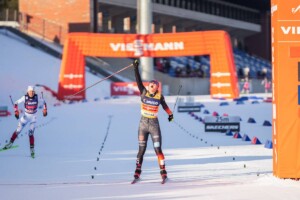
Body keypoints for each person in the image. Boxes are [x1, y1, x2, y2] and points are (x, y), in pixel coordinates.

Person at [132, 59, 173, 181]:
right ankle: (137, 171)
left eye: (154, 85)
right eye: (150, 85)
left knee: (157, 149)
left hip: (154, 125)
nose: (151, 86)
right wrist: (135, 67)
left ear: (157, 88)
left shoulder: (159, 96)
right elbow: (138, 80)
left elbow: (165, 106)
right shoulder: (143, 91)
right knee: (141, 150)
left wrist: (170, 115)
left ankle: (163, 171)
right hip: (143, 124)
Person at [3, 86, 47, 158]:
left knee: (30, 133)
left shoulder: (37, 97)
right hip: (25, 116)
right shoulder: (25, 98)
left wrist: (45, 110)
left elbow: (44, 102)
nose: (31, 93)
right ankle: (10, 143)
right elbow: (16, 103)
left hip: (33, 117)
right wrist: (16, 111)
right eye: (30, 92)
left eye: (32, 92)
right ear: (27, 92)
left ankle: (32, 150)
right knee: (18, 130)